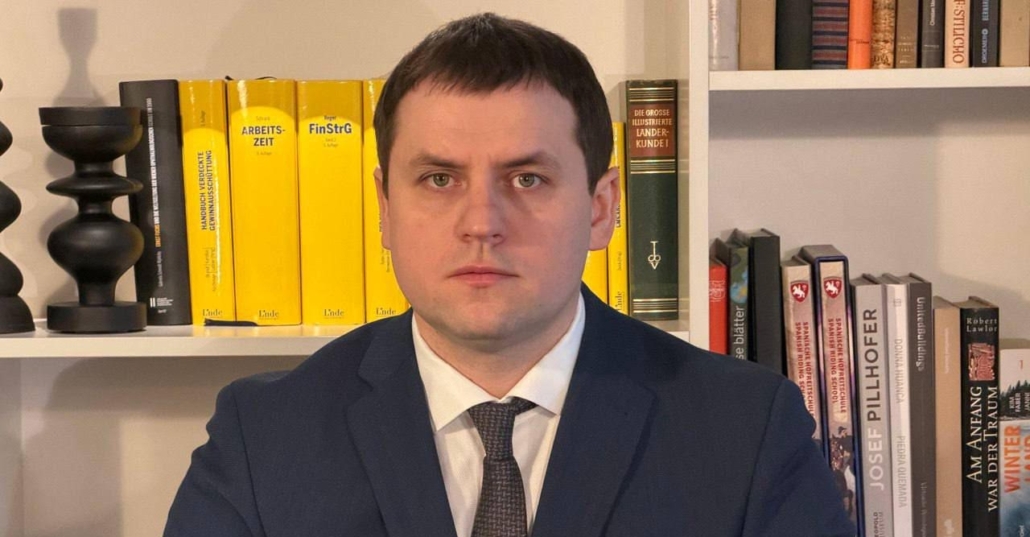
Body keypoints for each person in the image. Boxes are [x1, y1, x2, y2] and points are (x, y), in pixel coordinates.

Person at [164, 13, 855, 537]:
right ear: (385, 208)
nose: (481, 223)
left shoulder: (748, 430)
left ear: (601, 208)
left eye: (527, 178)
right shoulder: (264, 437)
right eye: (439, 179)